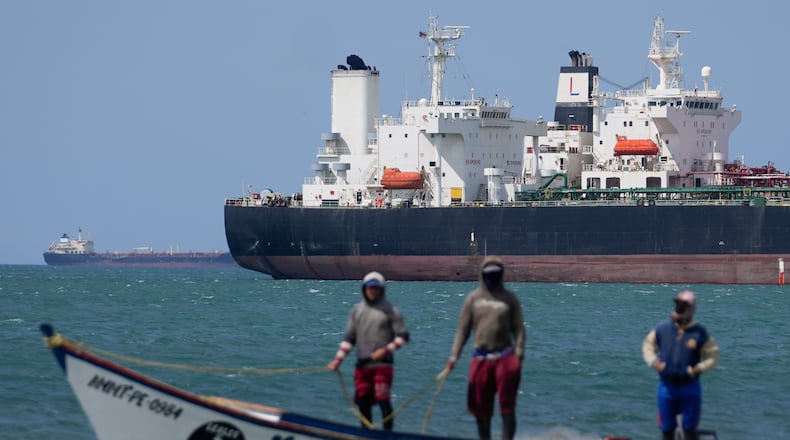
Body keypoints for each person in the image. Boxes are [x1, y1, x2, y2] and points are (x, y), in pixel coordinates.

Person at [444, 257, 526, 440]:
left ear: (501, 274)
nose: (492, 278)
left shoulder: (510, 299)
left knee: (507, 407)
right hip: (480, 358)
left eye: (496, 274)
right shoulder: (473, 299)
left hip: (505, 358)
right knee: (480, 409)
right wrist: (454, 356)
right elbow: (462, 331)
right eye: (489, 274)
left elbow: (519, 330)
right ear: (482, 275)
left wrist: (518, 357)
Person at [327, 271, 409, 431]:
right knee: (363, 402)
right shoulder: (357, 311)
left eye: (376, 288)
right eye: (370, 288)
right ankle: (366, 434)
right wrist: (338, 360)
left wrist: (385, 350)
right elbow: (349, 339)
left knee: (383, 400)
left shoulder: (391, 311)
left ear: (381, 289)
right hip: (363, 367)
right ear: (364, 289)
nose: (372, 291)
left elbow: (403, 337)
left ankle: (387, 435)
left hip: (383, 365)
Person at [642, 290, 720, 440]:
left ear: (692, 309)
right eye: (678, 305)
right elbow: (648, 345)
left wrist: (699, 368)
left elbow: (713, 355)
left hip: (689, 387)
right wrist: (655, 362)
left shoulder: (699, 332)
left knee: (689, 429)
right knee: (666, 429)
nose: (680, 308)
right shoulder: (663, 329)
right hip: (666, 387)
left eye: (684, 306)